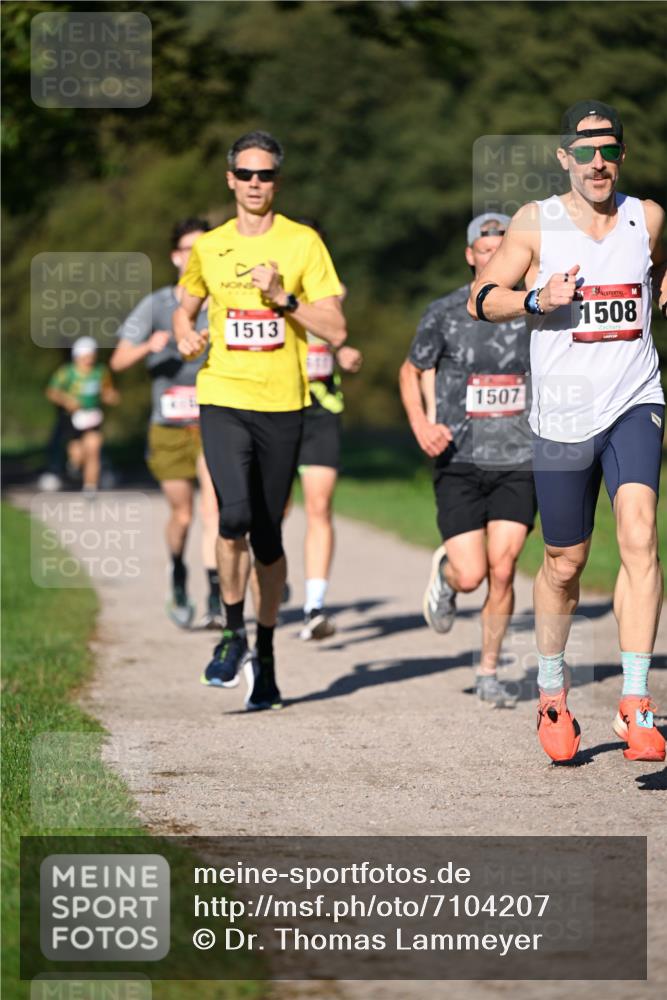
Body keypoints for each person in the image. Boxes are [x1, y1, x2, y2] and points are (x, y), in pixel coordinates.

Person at [468, 100, 666, 762]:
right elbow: (481, 298)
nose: (597, 163)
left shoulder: (647, 217)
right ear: (563, 158)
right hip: (562, 414)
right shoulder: (535, 223)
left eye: (608, 150)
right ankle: (551, 692)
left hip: (634, 398)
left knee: (639, 535)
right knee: (564, 561)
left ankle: (635, 703)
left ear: (621, 155)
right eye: (584, 152)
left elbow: (655, 266)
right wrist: (535, 299)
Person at [174, 130, 347, 711]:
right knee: (234, 516)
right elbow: (186, 301)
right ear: (230, 179)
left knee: (269, 537)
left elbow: (337, 329)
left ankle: (265, 653)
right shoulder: (210, 246)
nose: (255, 183)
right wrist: (182, 330)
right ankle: (230, 630)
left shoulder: (303, 244)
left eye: (265, 175)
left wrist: (283, 299)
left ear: (277, 180)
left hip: (284, 404)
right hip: (223, 394)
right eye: (245, 175)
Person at [400, 214, 536, 708]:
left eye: (503, 249)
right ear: (470, 255)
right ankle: (448, 576)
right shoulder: (445, 312)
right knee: (473, 574)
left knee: (504, 571)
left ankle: (487, 671)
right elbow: (411, 369)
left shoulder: (535, 308)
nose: (493, 257)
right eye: (485, 250)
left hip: (519, 458)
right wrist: (421, 424)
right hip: (459, 457)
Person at [111, 219, 221, 630]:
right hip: (169, 425)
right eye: (188, 249)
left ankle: (214, 597)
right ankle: (178, 572)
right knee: (183, 516)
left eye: (202, 248)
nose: (194, 256)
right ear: (176, 257)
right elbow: (118, 362)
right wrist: (149, 346)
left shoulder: (221, 302)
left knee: (214, 511)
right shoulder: (156, 306)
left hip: (213, 420)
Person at [292, 218, 363, 641]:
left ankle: (314, 607)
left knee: (319, 506)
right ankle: (272, 569)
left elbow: (333, 339)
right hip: (276, 407)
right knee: (273, 512)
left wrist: (344, 354)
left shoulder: (332, 292)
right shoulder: (266, 289)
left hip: (321, 408)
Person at [45, 336, 119, 496]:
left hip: (93, 418)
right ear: (77, 356)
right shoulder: (67, 372)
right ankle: (74, 466)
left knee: (94, 449)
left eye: (91, 357)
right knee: (78, 455)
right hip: (73, 420)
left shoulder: (100, 371)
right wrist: (67, 400)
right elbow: (52, 392)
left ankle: (90, 487)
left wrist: (111, 396)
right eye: (85, 357)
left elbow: (107, 391)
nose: (88, 360)